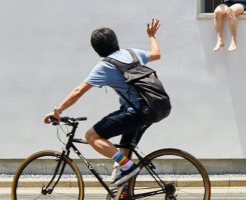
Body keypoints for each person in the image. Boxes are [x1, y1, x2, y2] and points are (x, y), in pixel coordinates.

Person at [44, 19, 161, 188]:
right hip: (153, 108)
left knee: (92, 136)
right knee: (123, 152)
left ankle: (129, 167)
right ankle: (122, 195)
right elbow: (156, 53)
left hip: (136, 112)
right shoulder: (132, 54)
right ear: (115, 41)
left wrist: (58, 111)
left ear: (96, 49)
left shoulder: (105, 66)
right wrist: (151, 36)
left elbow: (79, 91)